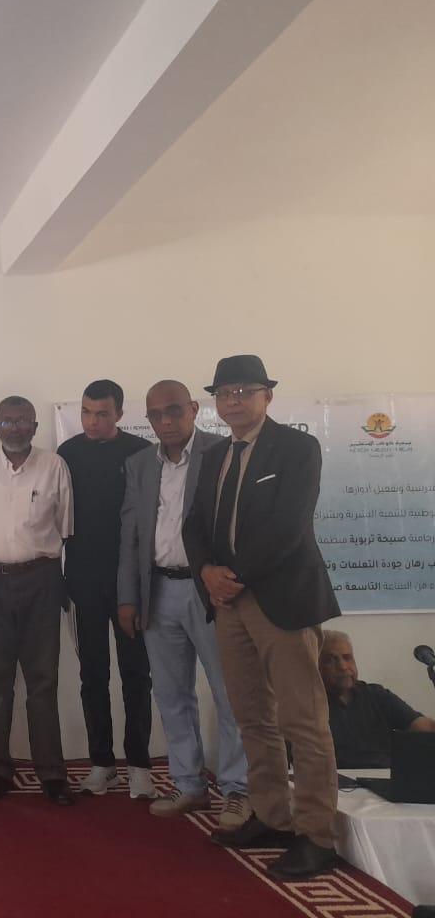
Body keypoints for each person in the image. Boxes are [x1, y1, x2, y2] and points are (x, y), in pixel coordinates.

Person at [183, 355, 341, 881]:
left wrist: (233, 576)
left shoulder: (297, 448)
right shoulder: (214, 455)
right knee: (252, 716)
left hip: (281, 600)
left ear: (267, 396)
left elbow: (289, 526)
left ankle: (317, 835)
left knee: (303, 721)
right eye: (224, 393)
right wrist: (206, 571)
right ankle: (273, 817)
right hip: (228, 604)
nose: (233, 401)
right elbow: (194, 524)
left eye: (244, 391)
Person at [117, 380, 248, 827]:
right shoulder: (139, 464)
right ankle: (189, 785)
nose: (166, 422)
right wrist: (128, 597)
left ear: (193, 408)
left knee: (230, 693)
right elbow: (131, 535)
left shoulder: (221, 452)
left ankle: (237, 789)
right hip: (157, 591)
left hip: (209, 591)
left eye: (174, 411)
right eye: (156, 415)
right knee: (172, 695)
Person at [0, 396, 75, 806]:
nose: (14, 428)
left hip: (42, 581)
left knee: (43, 680)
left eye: (22, 421)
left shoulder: (54, 466)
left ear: (35, 426)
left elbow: (65, 529)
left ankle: (51, 773)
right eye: (6, 422)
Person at [57, 379, 154, 799]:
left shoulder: (141, 453)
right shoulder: (68, 453)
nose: (92, 421)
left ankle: (140, 766)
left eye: (101, 414)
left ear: (119, 414)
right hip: (84, 583)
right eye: (86, 412)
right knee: (92, 675)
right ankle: (102, 763)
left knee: (136, 674)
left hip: (130, 584)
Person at [319, 630, 435, 768]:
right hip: (333, 778)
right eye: (330, 660)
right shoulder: (306, 703)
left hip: (383, 775)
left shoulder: (376, 695)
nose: (343, 667)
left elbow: (424, 727)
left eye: (347, 657)